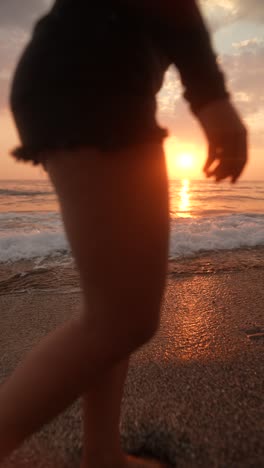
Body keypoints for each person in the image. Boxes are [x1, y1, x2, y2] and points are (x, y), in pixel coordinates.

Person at [1, 1, 247, 467]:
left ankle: (102, 453)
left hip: (88, 75)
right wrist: (211, 97)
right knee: (125, 319)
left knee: (112, 313)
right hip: (93, 80)